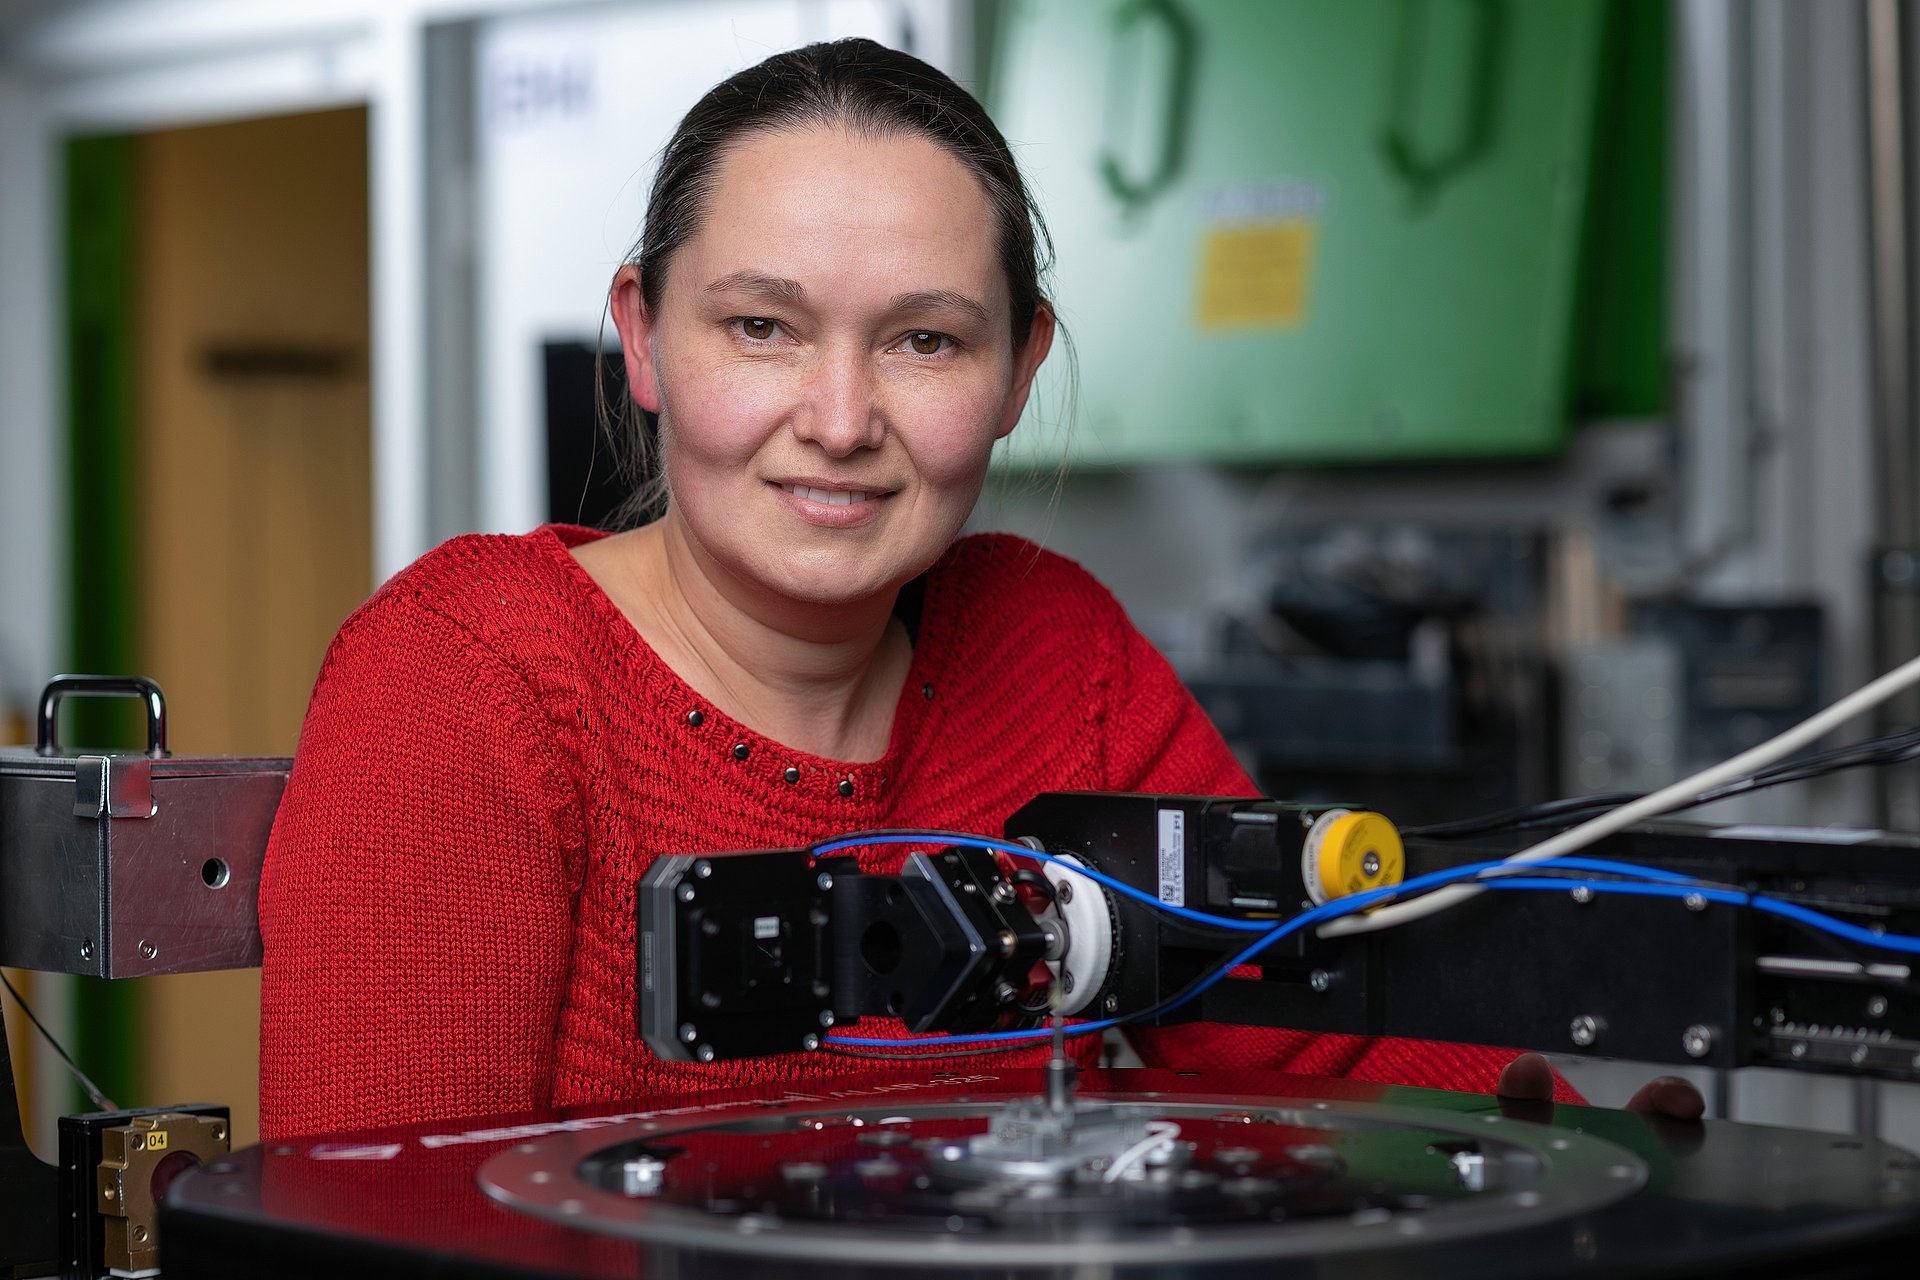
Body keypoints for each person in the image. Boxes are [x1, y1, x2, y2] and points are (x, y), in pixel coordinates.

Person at [257, 38, 1696, 1139]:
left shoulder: (1055, 651)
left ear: (1019, 371)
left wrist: (1589, 1155)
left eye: (925, 342)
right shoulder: (473, 676)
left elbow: (1304, 1037)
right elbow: (372, 1223)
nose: (836, 418)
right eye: (761, 326)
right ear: (640, 339)